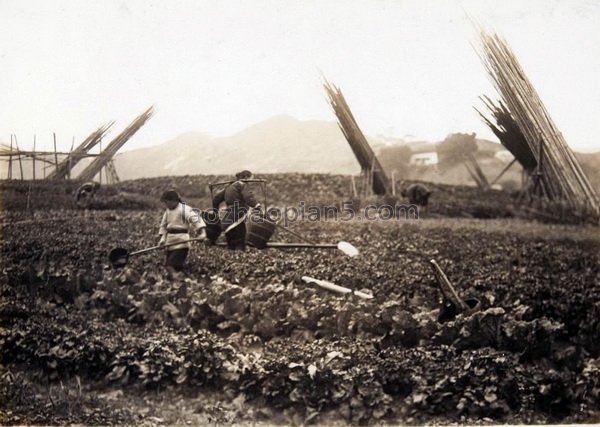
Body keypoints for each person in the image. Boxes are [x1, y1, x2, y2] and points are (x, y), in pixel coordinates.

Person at [212, 170, 261, 250]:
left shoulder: (229, 187)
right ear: (246, 177)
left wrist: (215, 213)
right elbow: (248, 197)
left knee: (231, 240)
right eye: (251, 178)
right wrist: (256, 205)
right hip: (238, 215)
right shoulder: (242, 185)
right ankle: (239, 254)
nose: (252, 182)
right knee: (240, 239)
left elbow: (215, 200)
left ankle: (233, 256)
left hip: (228, 217)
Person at [158, 189, 206, 271]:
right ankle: (181, 281)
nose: (166, 205)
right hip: (170, 243)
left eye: (166, 202)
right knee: (175, 267)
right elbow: (163, 226)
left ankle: (178, 281)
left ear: (173, 201)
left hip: (181, 242)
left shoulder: (184, 209)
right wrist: (162, 239)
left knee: (170, 266)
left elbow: (196, 219)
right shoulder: (168, 211)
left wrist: (203, 233)